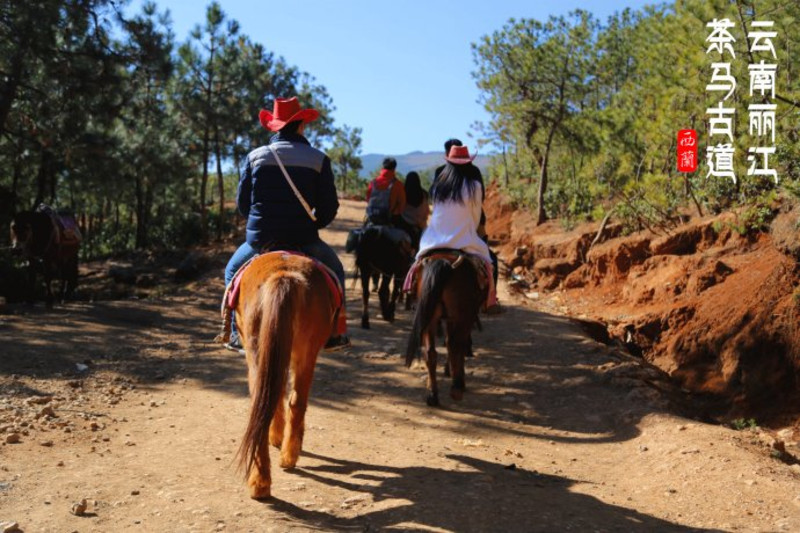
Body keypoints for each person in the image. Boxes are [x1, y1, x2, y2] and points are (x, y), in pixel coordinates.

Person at [224, 96, 350, 351]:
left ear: (275, 126)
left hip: (261, 240)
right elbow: (329, 206)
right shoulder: (318, 158)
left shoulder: (255, 157)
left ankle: (235, 334)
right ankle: (335, 333)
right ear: (301, 125)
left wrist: (258, 224)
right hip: (303, 238)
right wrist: (314, 224)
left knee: (231, 271)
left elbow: (242, 204)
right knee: (336, 272)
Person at [365, 157, 406, 226]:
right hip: (390, 220)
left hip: (372, 217)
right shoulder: (398, 185)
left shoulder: (373, 183)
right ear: (394, 168)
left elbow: (368, 199)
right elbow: (402, 205)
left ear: (383, 167)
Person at [397, 171, 429, 250]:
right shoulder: (424, 194)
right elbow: (426, 211)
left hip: (405, 224)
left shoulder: (402, 193)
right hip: (421, 225)